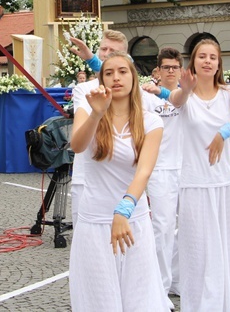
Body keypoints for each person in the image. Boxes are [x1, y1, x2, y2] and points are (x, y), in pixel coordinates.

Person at [169, 39, 230, 311]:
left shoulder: (229, 92)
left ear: (219, 63)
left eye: (213, 57)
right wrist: (185, 89)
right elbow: (176, 100)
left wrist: (224, 132)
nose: (208, 61)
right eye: (202, 56)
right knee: (198, 248)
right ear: (194, 61)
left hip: (224, 183)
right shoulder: (185, 94)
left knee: (228, 245)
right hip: (195, 183)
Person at [68, 52, 166, 311]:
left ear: (133, 78)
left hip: (133, 219)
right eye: (109, 73)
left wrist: (124, 208)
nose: (116, 77)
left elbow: (144, 171)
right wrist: (96, 115)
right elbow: (77, 146)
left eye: (122, 71)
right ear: (101, 80)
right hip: (94, 221)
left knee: (139, 298)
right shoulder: (89, 111)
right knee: (98, 298)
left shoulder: (151, 121)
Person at [69, 30, 132, 227]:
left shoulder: (133, 91)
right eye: (103, 49)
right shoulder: (83, 90)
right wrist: (93, 62)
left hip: (123, 179)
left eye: (113, 51)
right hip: (87, 177)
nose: (106, 54)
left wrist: (92, 60)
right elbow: (77, 142)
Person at [141, 47, 184, 300]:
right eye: (165, 67)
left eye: (174, 67)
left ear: (181, 69)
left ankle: (178, 279)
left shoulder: (189, 93)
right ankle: (161, 287)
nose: (170, 71)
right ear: (157, 70)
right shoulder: (147, 96)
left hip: (187, 169)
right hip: (159, 169)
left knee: (187, 228)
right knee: (163, 227)